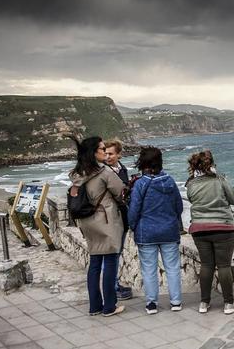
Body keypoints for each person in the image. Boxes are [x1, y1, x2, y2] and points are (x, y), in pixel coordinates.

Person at [69, 136, 126, 317]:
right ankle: (109, 306)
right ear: (94, 152)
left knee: (94, 263)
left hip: (87, 221)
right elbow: (121, 192)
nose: (105, 152)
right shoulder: (105, 172)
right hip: (106, 221)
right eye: (102, 149)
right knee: (110, 262)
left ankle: (95, 306)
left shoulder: (77, 173)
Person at [185, 150, 234, 315]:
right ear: (211, 165)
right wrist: (224, 181)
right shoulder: (219, 180)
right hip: (223, 227)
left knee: (206, 265)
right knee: (224, 265)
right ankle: (228, 304)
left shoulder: (191, 184)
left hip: (199, 229)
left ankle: (204, 303)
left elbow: (191, 199)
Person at [128, 146, 183, 315]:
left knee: (149, 269)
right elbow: (179, 207)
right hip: (169, 230)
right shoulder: (170, 181)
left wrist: (132, 226)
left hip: (147, 232)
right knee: (173, 267)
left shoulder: (140, 184)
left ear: (143, 162)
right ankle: (176, 302)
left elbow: (134, 209)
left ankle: (152, 303)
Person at [104, 138, 132, 301]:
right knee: (112, 254)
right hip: (109, 218)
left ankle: (114, 285)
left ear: (119, 155)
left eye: (111, 154)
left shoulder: (123, 170)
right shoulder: (103, 172)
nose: (107, 157)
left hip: (123, 218)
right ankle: (112, 288)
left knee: (117, 252)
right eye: (105, 153)